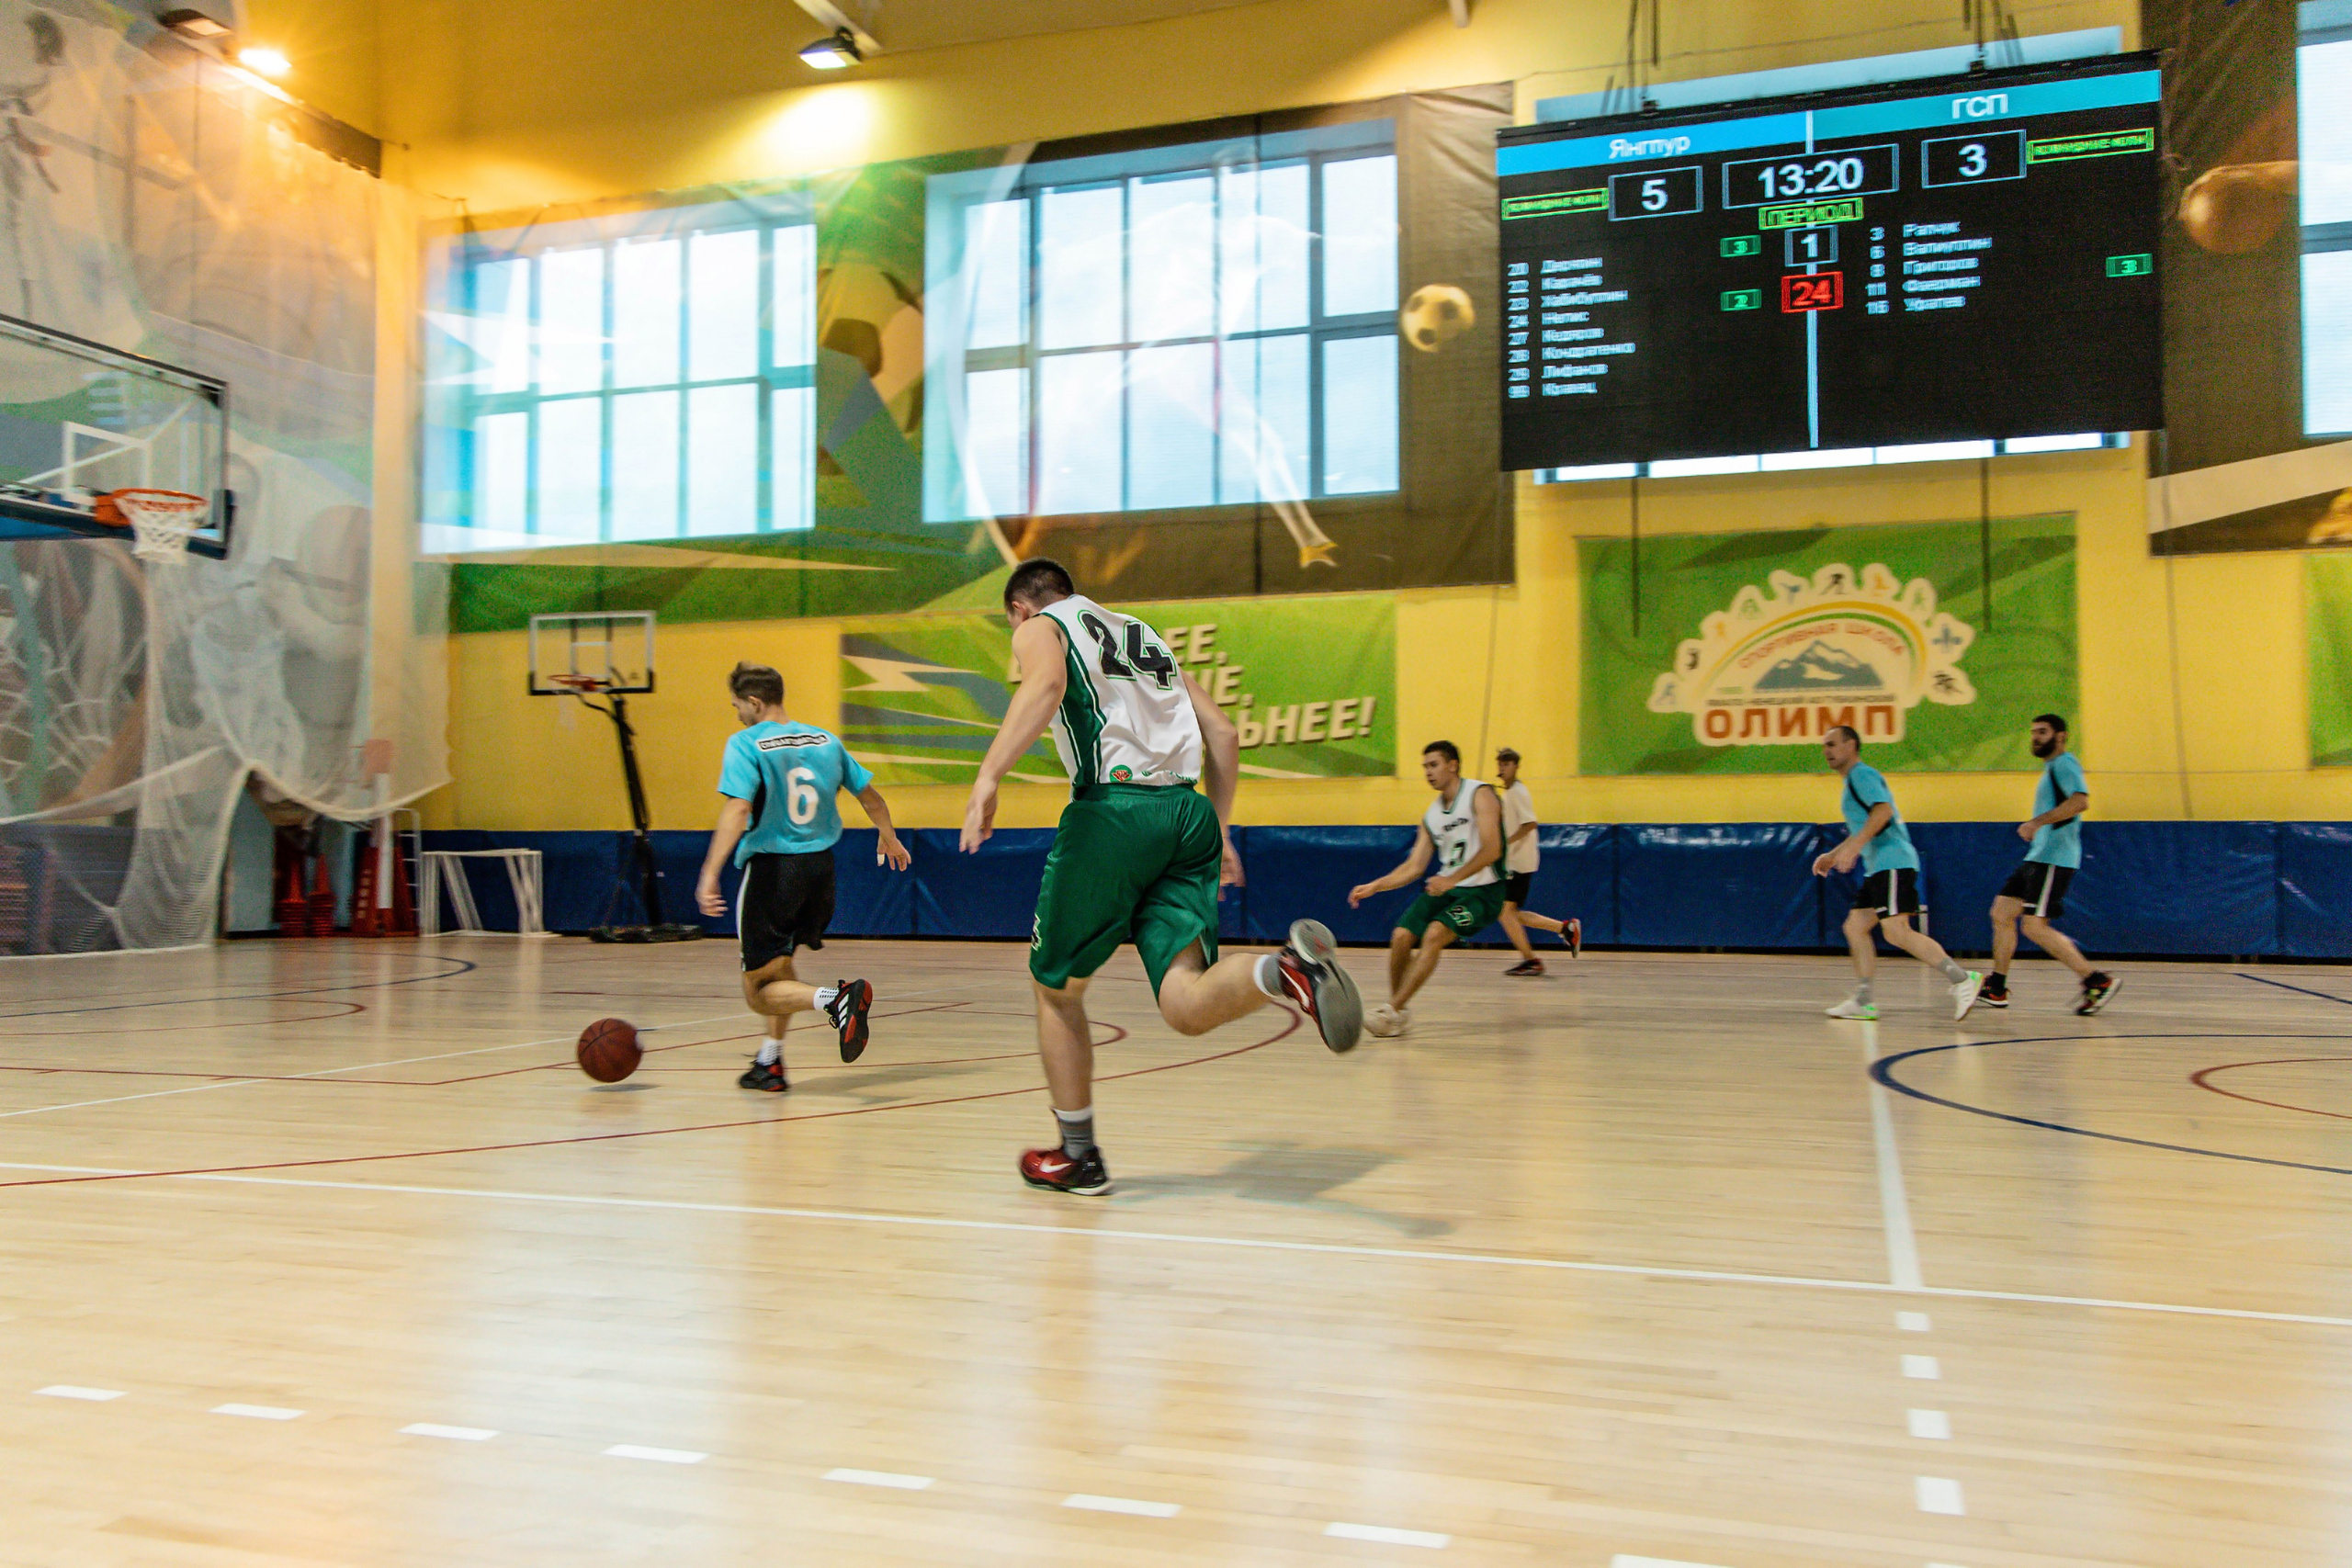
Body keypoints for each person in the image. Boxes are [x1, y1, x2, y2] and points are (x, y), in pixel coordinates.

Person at [960, 558, 1363, 1197]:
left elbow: (1043, 686)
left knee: (1056, 990)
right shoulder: (1145, 635)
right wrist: (1221, 830)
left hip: (1114, 812)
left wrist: (988, 776)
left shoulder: (1041, 623)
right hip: (1188, 814)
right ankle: (1285, 970)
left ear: (1020, 607)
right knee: (1184, 999)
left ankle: (1079, 1155)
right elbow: (1224, 734)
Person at [695, 661, 911, 1092]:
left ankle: (836, 1000)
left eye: (738, 705)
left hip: (774, 872)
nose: (737, 713)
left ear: (755, 702)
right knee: (782, 968)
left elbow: (738, 810)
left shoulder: (746, 743)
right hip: (820, 870)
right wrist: (889, 836)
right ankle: (769, 1063)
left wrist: (709, 872)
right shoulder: (827, 740)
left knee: (759, 990)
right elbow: (870, 798)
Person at [1811, 725, 1984, 1021]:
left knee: (1896, 931)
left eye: (1832, 744)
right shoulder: (1853, 781)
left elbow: (1883, 813)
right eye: (1824, 745)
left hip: (1892, 862)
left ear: (1851, 746)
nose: (1826, 750)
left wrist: (1854, 849)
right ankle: (1864, 1000)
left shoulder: (1862, 775)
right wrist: (1835, 853)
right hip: (1878, 866)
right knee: (1855, 927)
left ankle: (1961, 978)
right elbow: (1865, 826)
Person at [1347, 740, 1506, 1036]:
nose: (1428, 772)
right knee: (1401, 936)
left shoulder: (1481, 794)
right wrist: (1375, 886)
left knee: (1434, 934)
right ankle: (1398, 1011)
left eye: (1433, 765)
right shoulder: (1432, 815)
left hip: (1484, 890)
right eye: (1425, 767)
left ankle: (1392, 1009)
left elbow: (1492, 849)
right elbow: (1414, 866)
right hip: (1449, 888)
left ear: (1452, 765)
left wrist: (1452, 879)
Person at [1983, 714, 2120, 1015]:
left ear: (2060, 736)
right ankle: (1997, 987)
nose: (2035, 737)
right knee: (2002, 912)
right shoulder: (2050, 770)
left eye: (2042, 732)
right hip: (2038, 856)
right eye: (2033, 732)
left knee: (2033, 926)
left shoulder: (2065, 764)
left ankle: (2095, 980)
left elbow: (2080, 802)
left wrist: (2037, 821)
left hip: (2055, 858)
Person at [1492, 747, 1582, 976]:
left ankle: (1532, 959)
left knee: (1505, 913)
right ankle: (1564, 928)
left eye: (1507, 764)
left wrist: (1506, 844)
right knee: (1509, 914)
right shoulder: (1509, 792)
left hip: (1519, 862)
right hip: (1514, 861)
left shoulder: (1518, 792)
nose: (1503, 767)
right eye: (1500, 763)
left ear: (1516, 766)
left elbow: (1530, 824)